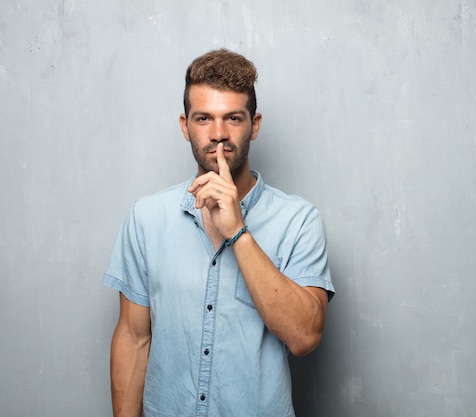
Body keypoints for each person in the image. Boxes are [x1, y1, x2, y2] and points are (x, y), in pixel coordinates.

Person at [103, 49, 335, 417]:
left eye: (233, 118)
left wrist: (238, 231)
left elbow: (305, 337)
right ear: (185, 126)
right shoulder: (146, 218)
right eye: (203, 118)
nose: (219, 134)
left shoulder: (299, 220)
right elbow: (134, 338)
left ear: (254, 125)